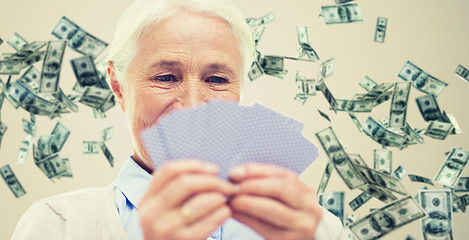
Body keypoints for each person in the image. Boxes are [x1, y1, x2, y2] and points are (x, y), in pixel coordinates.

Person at [12, 0, 346, 239]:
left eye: (217, 80)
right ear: (118, 86)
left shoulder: (319, 230)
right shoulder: (59, 226)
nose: (192, 107)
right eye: (166, 77)